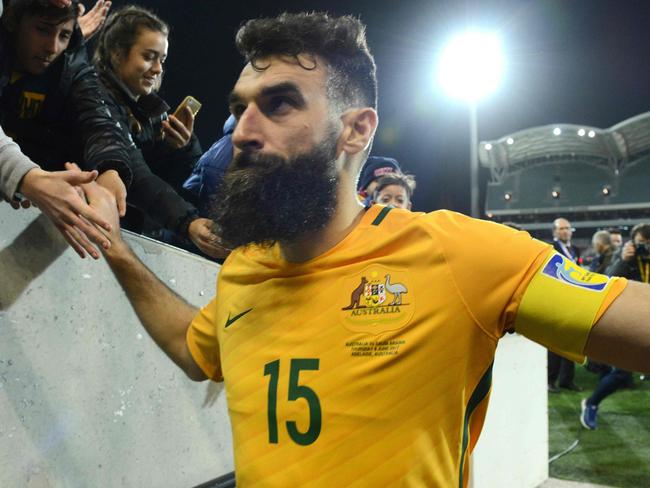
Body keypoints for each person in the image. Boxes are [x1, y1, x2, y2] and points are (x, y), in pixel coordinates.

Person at [84, 12, 649, 487]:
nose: (243, 131)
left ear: (355, 131)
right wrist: (113, 244)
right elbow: (194, 348)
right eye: (240, 108)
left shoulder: (455, 254)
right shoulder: (244, 270)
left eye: (279, 105)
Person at [92, 5, 224, 258]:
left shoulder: (147, 110)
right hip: (88, 236)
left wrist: (180, 148)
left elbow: (165, 177)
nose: (158, 69)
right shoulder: (93, 97)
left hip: (123, 236)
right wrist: (187, 223)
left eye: (161, 59)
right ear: (118, 53)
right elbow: (135, 174)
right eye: (149, 56)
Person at [580, 224, 650, 429]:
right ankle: (591, 404)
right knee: (621, 372)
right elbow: (607, 279)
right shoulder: (623, 256)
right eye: (642, 245)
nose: (645, 249)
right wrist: (623, 260)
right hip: (630, 320)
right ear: (633, 243)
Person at [547, 217, 583, 392]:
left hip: (573, 299)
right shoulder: (550, 248)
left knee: (572, 341)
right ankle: (550, 380)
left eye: (567, 228)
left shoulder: (575, 249)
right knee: (554, 343)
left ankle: (567, 380)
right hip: (556, 299)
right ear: (555, 232)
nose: (565, 231)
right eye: (561, 228)